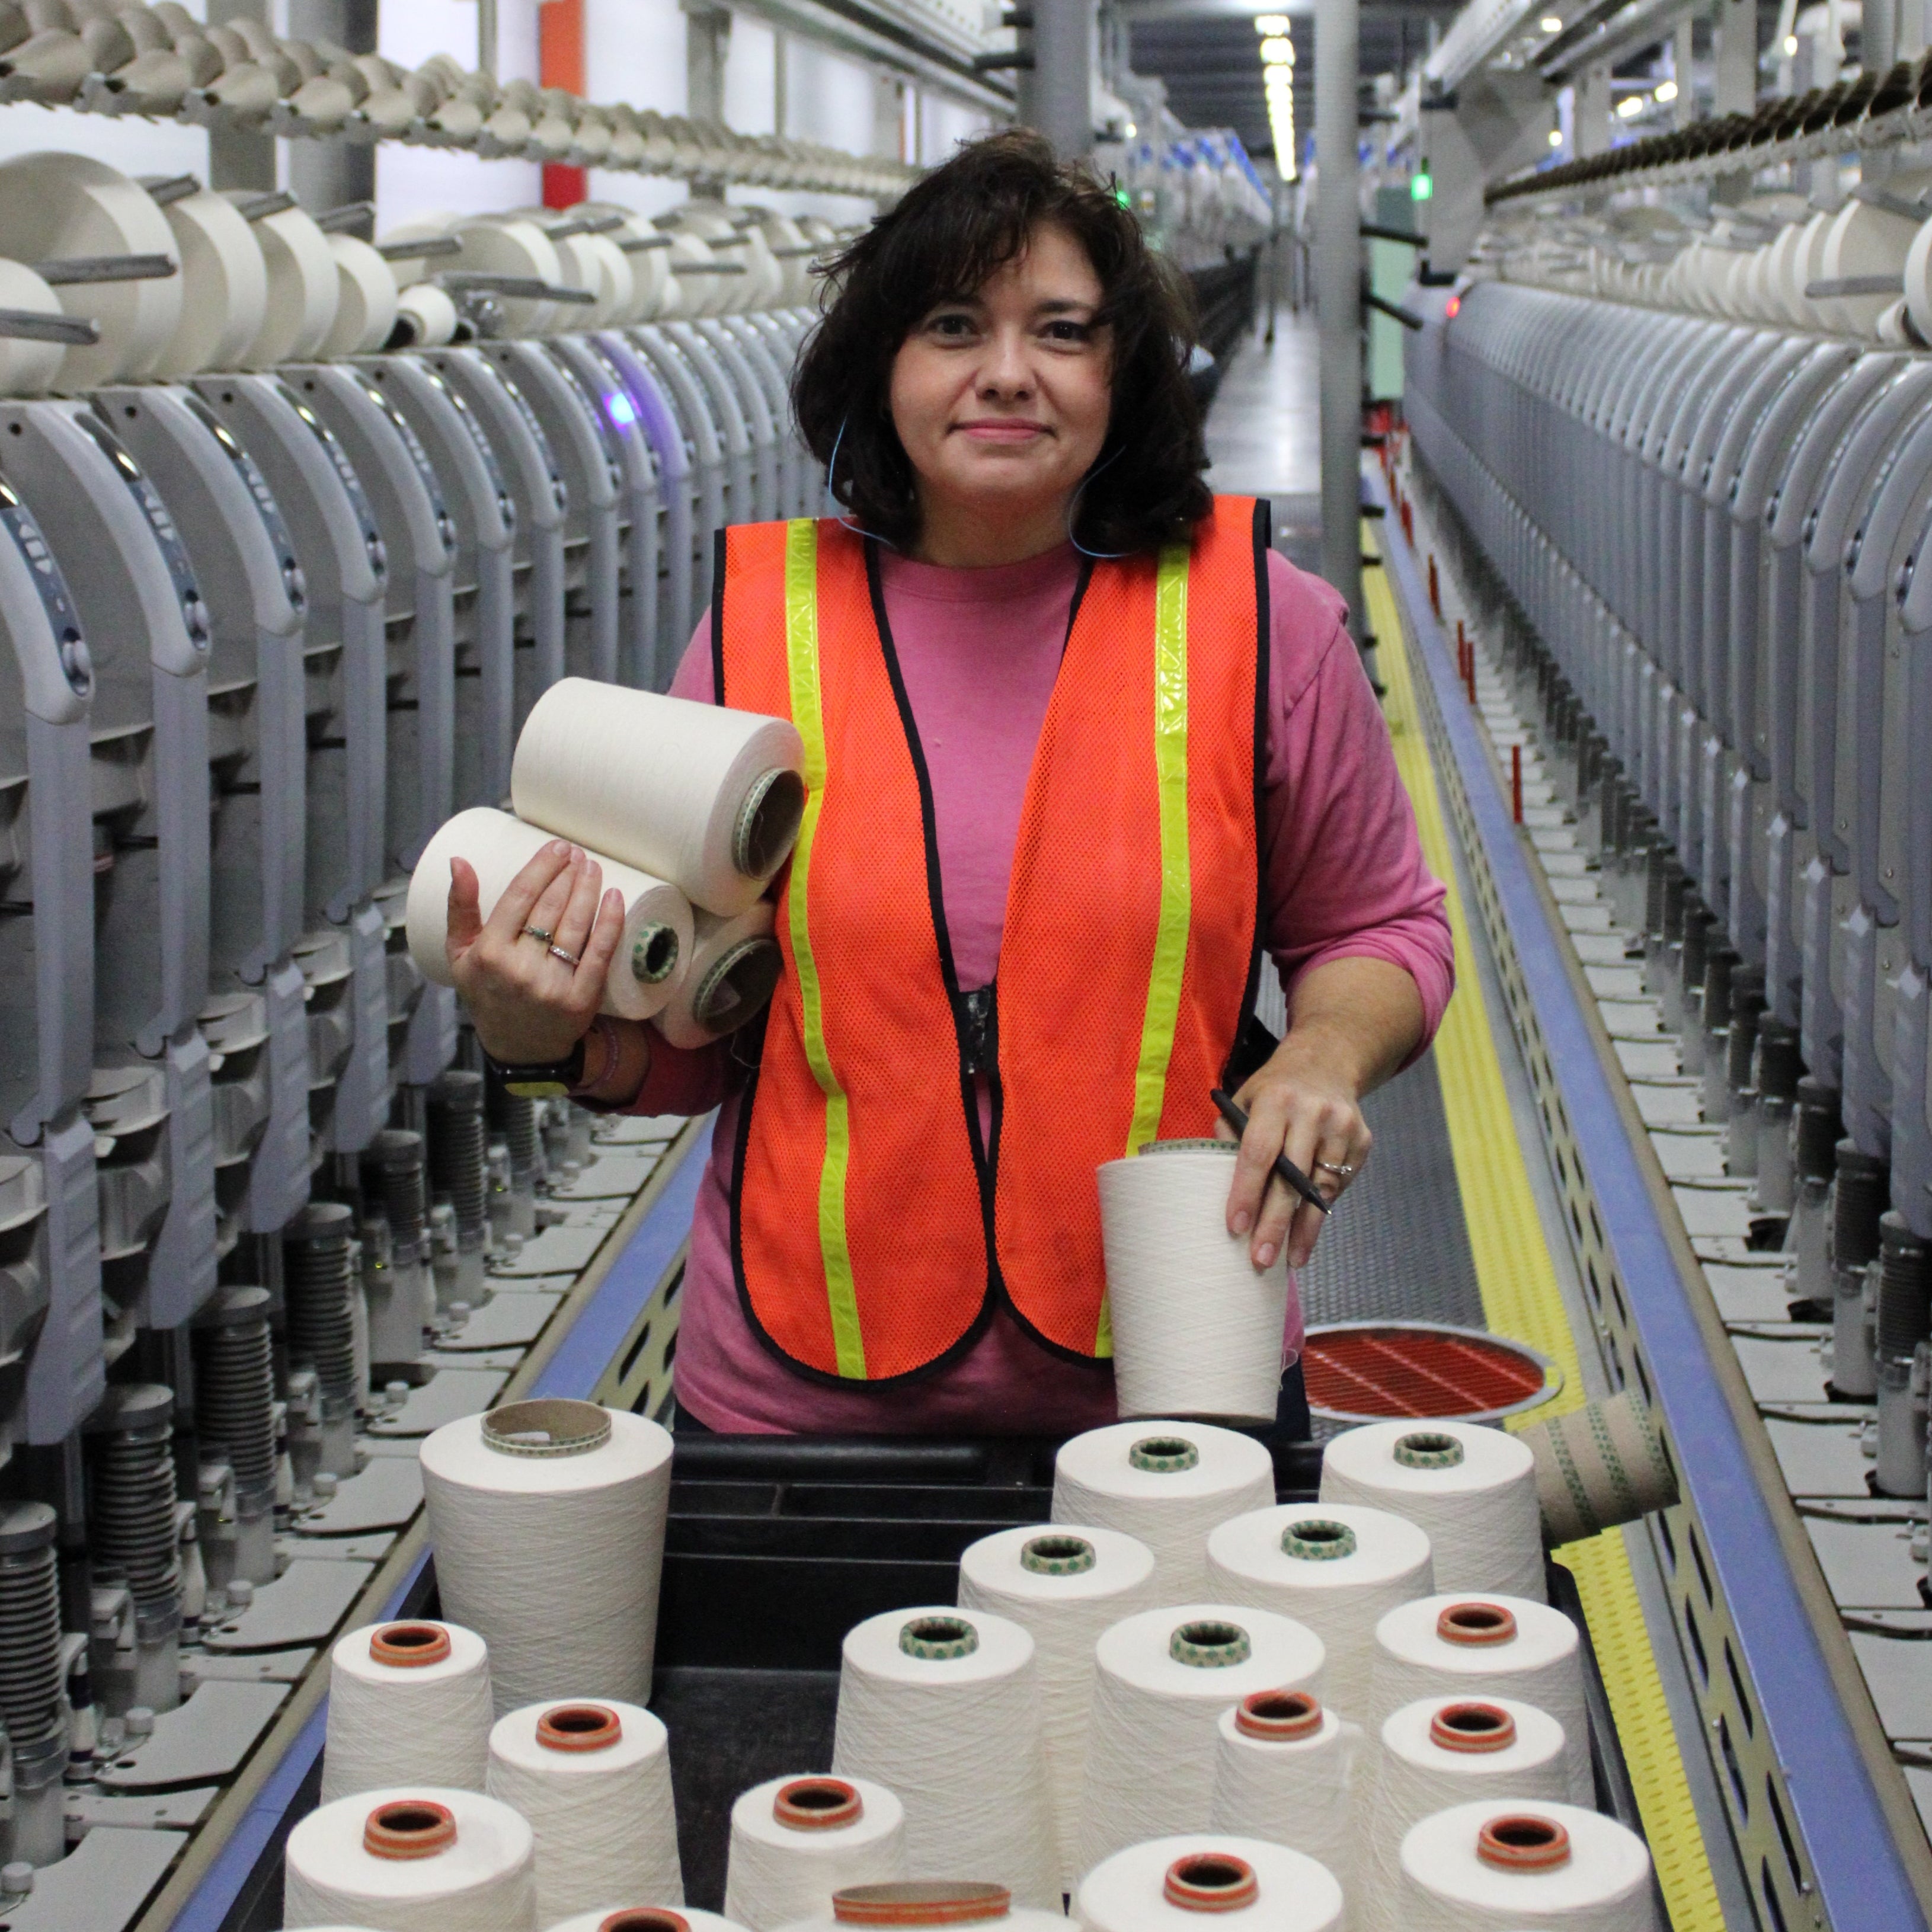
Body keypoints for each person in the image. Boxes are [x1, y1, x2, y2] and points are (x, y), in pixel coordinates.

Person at [443, 130, 1454, 1437]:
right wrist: (535, 1041)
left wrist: (1324, 1051)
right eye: (954, 325)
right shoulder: (761, 638)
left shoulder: (1261, 624)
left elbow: (1383, 927)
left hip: (1174, 1383)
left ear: (1125, 370)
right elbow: (692, 1045)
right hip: (795, 1410)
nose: (1007, 375)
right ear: (884, 367)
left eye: (1064, 331)